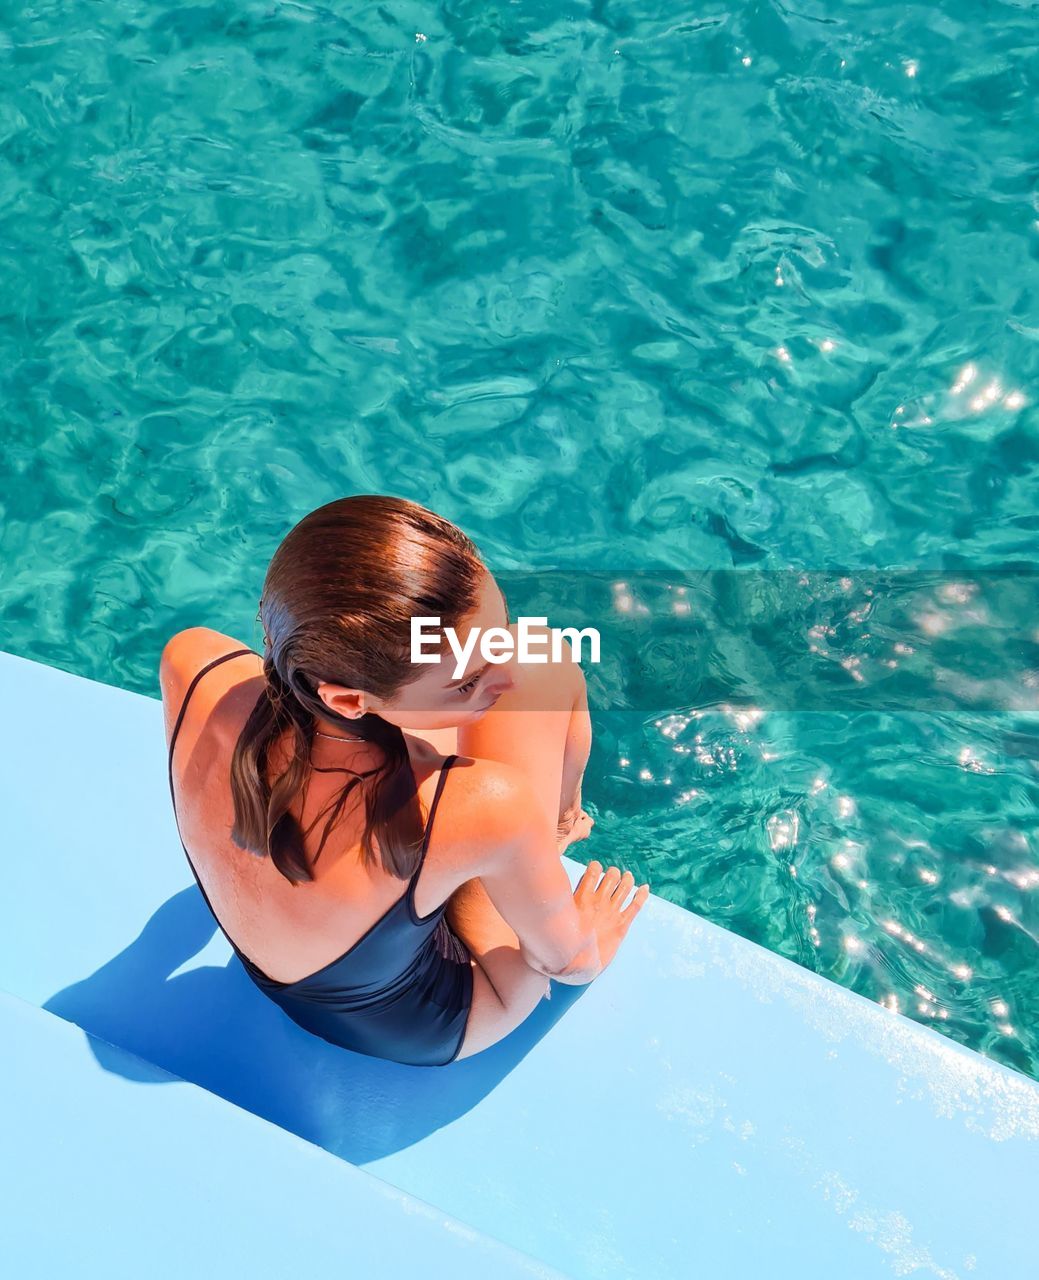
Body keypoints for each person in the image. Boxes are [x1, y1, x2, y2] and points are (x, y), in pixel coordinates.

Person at [162, 494, 648, 1067]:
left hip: (278, 975)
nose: (506, 675)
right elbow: (561, 965)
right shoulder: (486, 808)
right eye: (468, 683)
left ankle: (512, 834)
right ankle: (556, 829)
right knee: (547, 660)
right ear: (346, 698)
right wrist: (590, 936)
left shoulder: (193, 664)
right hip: (436, 1020)